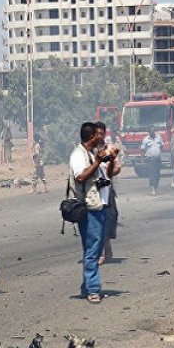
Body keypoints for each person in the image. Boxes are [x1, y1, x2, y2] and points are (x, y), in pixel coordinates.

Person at [69, 122, 115, 303]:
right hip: (89, 208)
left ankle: (87, 286)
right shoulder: (78, 155)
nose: (101, 138)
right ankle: (93, 290)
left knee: (93, 249)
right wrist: (97, 161)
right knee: (93, 250)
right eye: (98, 135)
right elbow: (80, 176)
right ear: (91, 137)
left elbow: (106, 177)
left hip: (99, 206)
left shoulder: (90, 154)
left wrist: (104, 160)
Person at [95, 121, 121, 265]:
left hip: (108, 191)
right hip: (93, 192)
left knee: (109, 219)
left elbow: (117, 168)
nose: (99, 136)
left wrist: (107, 172)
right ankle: (101, 252)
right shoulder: (89, 151)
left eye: (101, 133)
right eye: (96, 133)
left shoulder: (110, 149)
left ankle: (107, 246)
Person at [141, 126, 164, 196]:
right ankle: (153, 189)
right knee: (152, 174)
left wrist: (159, 152)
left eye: (153, 131)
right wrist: (142, 160)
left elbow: (162, 146)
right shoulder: (145, 139)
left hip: (158, 159)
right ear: (149, 132)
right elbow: (142, 150)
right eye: (151, 131)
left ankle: (155, 188)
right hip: (150, 159)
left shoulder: (159, 138)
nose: (152, 132)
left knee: (157, 174)